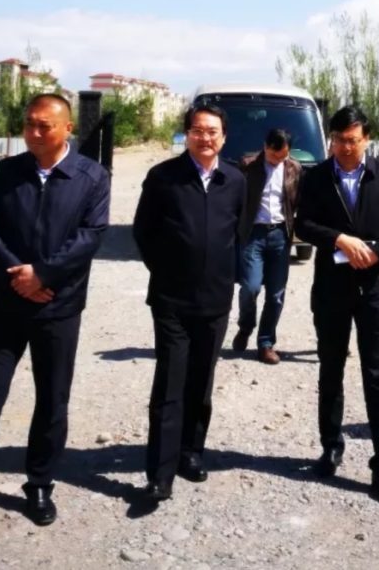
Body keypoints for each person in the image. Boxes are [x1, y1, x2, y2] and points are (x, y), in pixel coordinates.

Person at [0, 94, 110, 531]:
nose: (34, 133)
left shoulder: (91, 176)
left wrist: (45, 275)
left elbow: (91, 235)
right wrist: (17, 274)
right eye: (29, 124)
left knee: (52, 400)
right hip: (6, 304)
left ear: (67, 129)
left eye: (44, 126)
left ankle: (39, 485)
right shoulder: (8, 171)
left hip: (59, 307)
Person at [294, 105, 379, 504]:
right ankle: (331, 445)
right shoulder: (317, 177)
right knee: (330, 368)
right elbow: (303, 223)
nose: (346, 147)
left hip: (376, 289)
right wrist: (339, 239)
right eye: (339, 139)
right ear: (332, 139)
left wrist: (377, 251)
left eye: (353, 140)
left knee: (378, 377)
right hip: (331, 288)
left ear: (367, 140)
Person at [133, 104, 245, 502]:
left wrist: (228, 276)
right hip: (171, 300)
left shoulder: (235, 180)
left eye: (213, 131)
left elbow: (241, 232)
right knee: (170, 383)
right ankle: (159, 473)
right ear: (187, 134)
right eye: (198, 131)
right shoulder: (163, 177)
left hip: (215, 300)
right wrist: (167, 271)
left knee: (201, 382)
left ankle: (191, 452)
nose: (205, 138)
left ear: (224, 137)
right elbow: (143, 232)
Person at [231, 128, 302, 364]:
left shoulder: (294, 168)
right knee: (250, 288)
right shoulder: (248, 165)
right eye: (274, 155)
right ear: (265, 147)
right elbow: (235, 198)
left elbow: (298, 201)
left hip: (280, 235)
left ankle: (265, 343)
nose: (278, 161)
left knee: (276, 295)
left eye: (283, 156)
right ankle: (245, 326)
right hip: (254, 235)